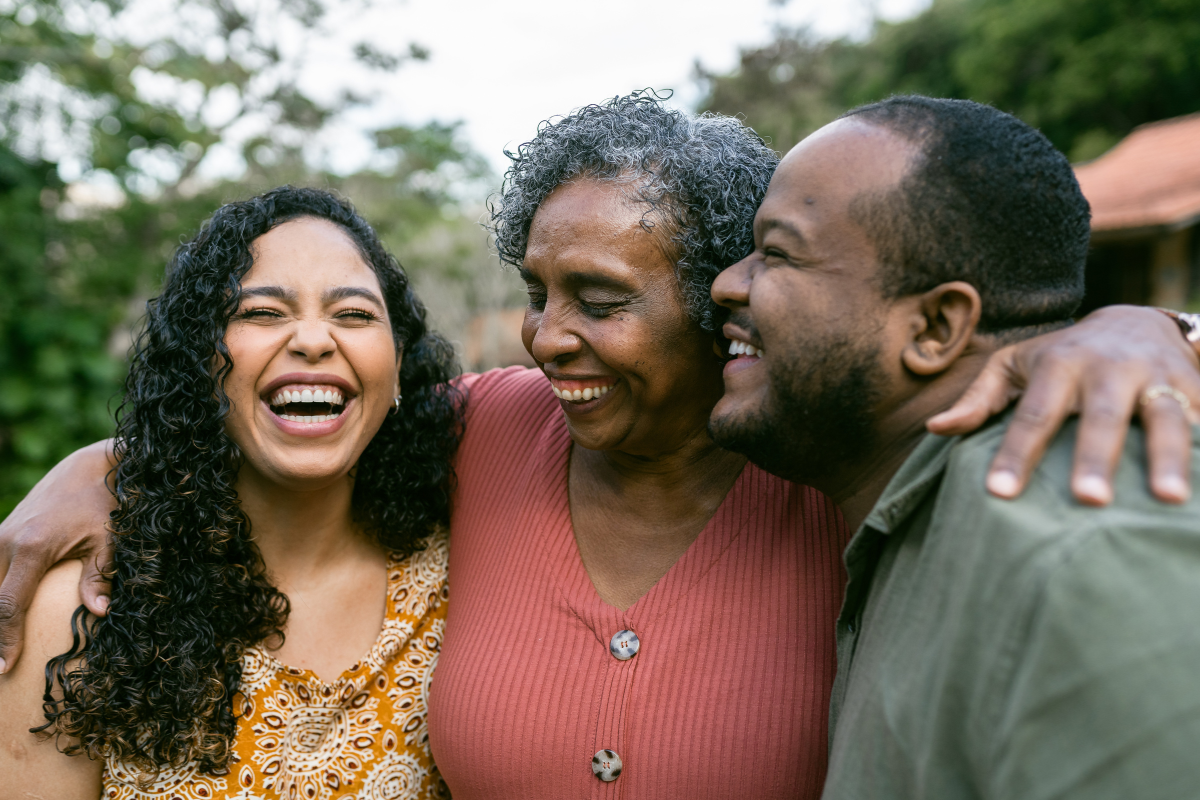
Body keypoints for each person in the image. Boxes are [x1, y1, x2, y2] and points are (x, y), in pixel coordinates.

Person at [2, 93, 1200, 799]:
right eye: (536, 289)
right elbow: (310, 407)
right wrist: (98, 467)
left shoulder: (834, 481)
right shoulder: (489, 429)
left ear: (721, 299)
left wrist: (1143, 326)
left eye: (602, 298)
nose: (546, 335)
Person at [708, 95, 1200, 800]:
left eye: (777, 254)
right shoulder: (905, 524)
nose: (727, 282)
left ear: (936, 327)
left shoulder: (1080, 552)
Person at [0, 187, 461, 798]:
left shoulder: (463, 587)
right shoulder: (87, 608)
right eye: (261, 313)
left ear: (399, 364)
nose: (314, 340)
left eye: (353, 314)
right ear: (201, 363)